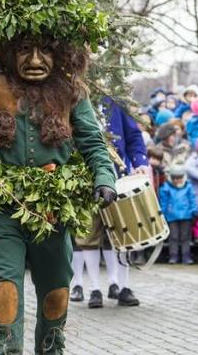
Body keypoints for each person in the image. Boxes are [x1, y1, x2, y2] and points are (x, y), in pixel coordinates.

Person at [0, 0, 117, 352]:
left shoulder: (71, 91)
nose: (35, 60)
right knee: (5, 289)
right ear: (6, 52)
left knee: (57, 292)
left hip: (54, 211)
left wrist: (104, 177)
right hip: (4, 207)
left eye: (44, 50)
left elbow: (93, 140)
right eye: (24, 50)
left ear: (60, 53)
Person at [71, 97, 147, 308]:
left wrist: (140, 162)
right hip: (85, 177)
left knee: (123, 232)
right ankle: (94, 288)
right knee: (89, 235)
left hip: (118, 176)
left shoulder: (115, 101)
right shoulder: (74, 96)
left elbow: (133, 136)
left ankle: (121, 285)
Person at [159, 164, 198, 264]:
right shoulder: (166, 188)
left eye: (180, 178)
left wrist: (194, 210)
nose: (178, 180)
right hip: (172, 216)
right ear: (172, 178)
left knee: (185, 237)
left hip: (186, 215)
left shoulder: (188, 186)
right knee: (173, 237)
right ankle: (173, 256)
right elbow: (164, 202)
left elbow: (192, 199)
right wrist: (162, 214)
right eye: (175, 178)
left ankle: (186, 256)